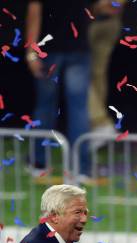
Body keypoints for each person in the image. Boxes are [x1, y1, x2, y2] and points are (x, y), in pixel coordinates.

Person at [25, 0, 96, 179]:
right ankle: (80, 168)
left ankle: (38, 163)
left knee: (45, 106)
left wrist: (31, 52)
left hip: (50, 49)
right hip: (78, 48)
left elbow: (35, 12)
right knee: (78, 108)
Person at [89, 0, 125, 136]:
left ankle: (99, 123)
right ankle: (98, 123)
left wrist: (102, 5)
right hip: (92, 21)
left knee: (95, 74)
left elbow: (111, 6)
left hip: (104, 22)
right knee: (90, 74)